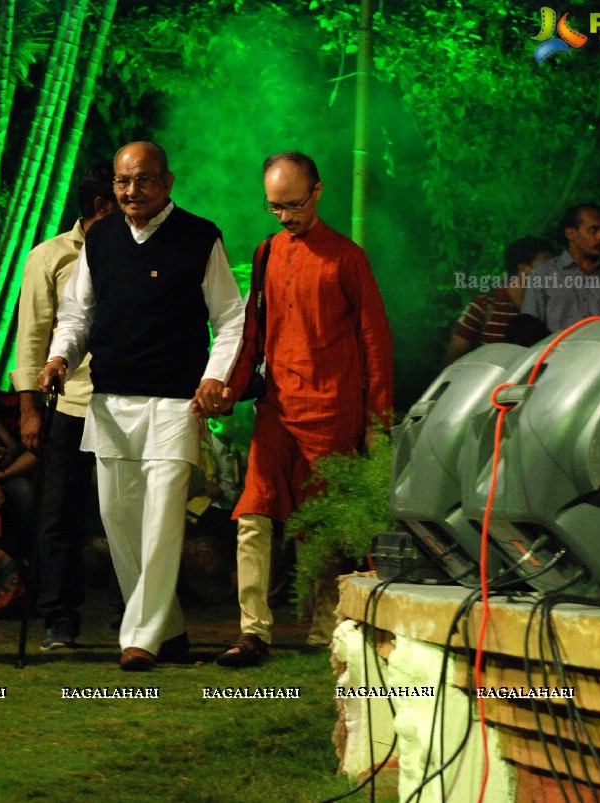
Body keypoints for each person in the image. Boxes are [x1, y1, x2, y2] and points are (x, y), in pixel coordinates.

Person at [38, 142, 245, 671]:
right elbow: (77, 315)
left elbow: (230, 320)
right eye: (123, 182)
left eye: (143, 181)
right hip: (110, 401)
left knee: (160, 523)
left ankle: (141, 639)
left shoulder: (201, 236)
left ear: (167, 182)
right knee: (120, 522)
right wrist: (61, 357)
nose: (131, 192)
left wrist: (214, 377)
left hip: (177, 403)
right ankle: (168, 629)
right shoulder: (101, 238)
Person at [212, 152, 394, 667]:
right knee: (252, 513)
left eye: (292, 204)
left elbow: (375, 343)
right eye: (274, 207)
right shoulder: (267, 251)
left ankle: (324, 628)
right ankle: (254, 631)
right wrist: (230, 388)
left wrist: (378, 424)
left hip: (333, 408)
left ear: (317, 192)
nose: (285, 216)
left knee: (322, 524)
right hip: (277, 406)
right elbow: (253, 331)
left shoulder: (346, 257)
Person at [9, 161, 115, 650]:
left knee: (125, 514)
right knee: (59, 514)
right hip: (69, 403)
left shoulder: (132, 250)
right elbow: (32, 335)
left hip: (123, 402)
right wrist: (29, 408)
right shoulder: (50, 256)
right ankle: (59, 618)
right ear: (101, 205)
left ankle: (131, 616)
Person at [522, 204, 600, 332]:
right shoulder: (543, 274)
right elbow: (529, 330)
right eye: (593, 230)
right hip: (558, 351)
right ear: (571, 234)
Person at [445, 237, 552, 364]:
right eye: (546, 264)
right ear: (522, 268)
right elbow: (453, 359)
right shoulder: (483, 306)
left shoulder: (549, 307)